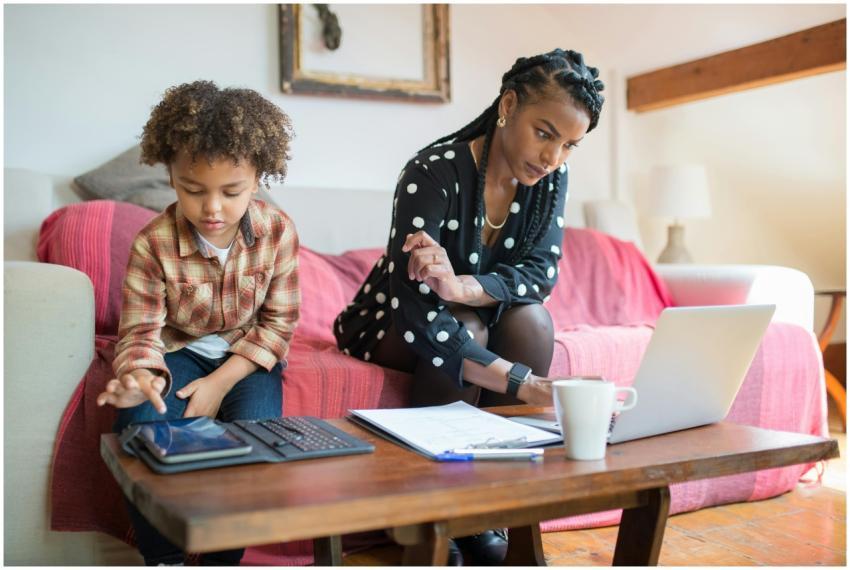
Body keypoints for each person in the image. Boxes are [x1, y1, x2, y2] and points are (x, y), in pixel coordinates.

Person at [333, 48, 604, 565]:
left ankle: (489, 511)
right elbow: (415, 309)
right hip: (389, 321)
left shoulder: (550, 181)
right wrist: (521, 380)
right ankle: (430, 515)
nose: (552, 158)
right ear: (508, 105)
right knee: (464, 328)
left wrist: (463, 287)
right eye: (544, 133)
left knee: (533, 322)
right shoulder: (432, 172)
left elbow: (539, 274)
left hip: (470, 310)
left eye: (569, 145)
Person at [96, 80, 299, 566]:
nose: (212, 208)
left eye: (232, 192)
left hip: (246, 358)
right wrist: (139, 376)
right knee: (141, 426)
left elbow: (279, 322)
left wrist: (219, 383)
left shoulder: (277, 231)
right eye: (193, 190)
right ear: (171, 176)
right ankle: (165, 557)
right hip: (178, 350)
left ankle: (218, 561)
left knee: (258, 440)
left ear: (257, 180)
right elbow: (142, 330)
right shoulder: (153, 243)